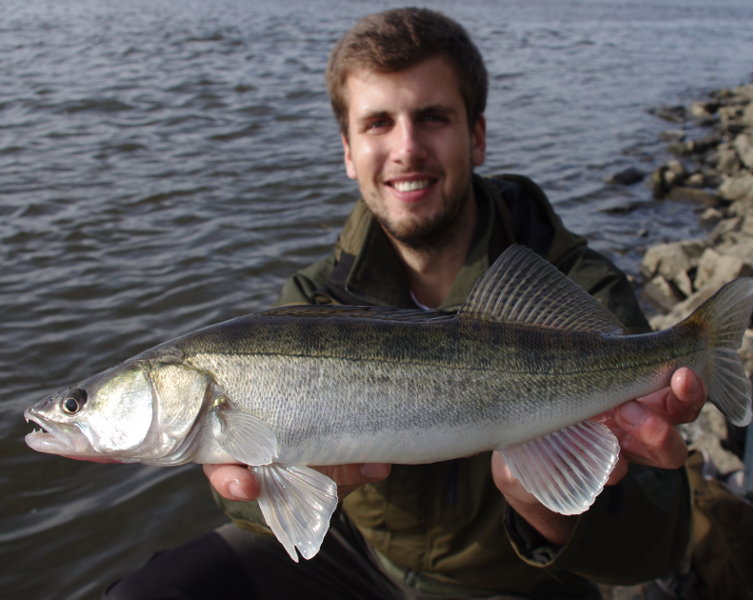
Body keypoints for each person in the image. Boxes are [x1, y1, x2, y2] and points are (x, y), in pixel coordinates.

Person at [105, 8, 706, 599]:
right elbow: (258, 499)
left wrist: (541, 504)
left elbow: (659, 547)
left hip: (521, 581)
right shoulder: (312, 303)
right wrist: (259, 496)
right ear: (347, 150)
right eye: (377, 124)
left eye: (433, 117)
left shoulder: (574, 286)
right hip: (360, 558)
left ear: (477, 135)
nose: (406, 148)